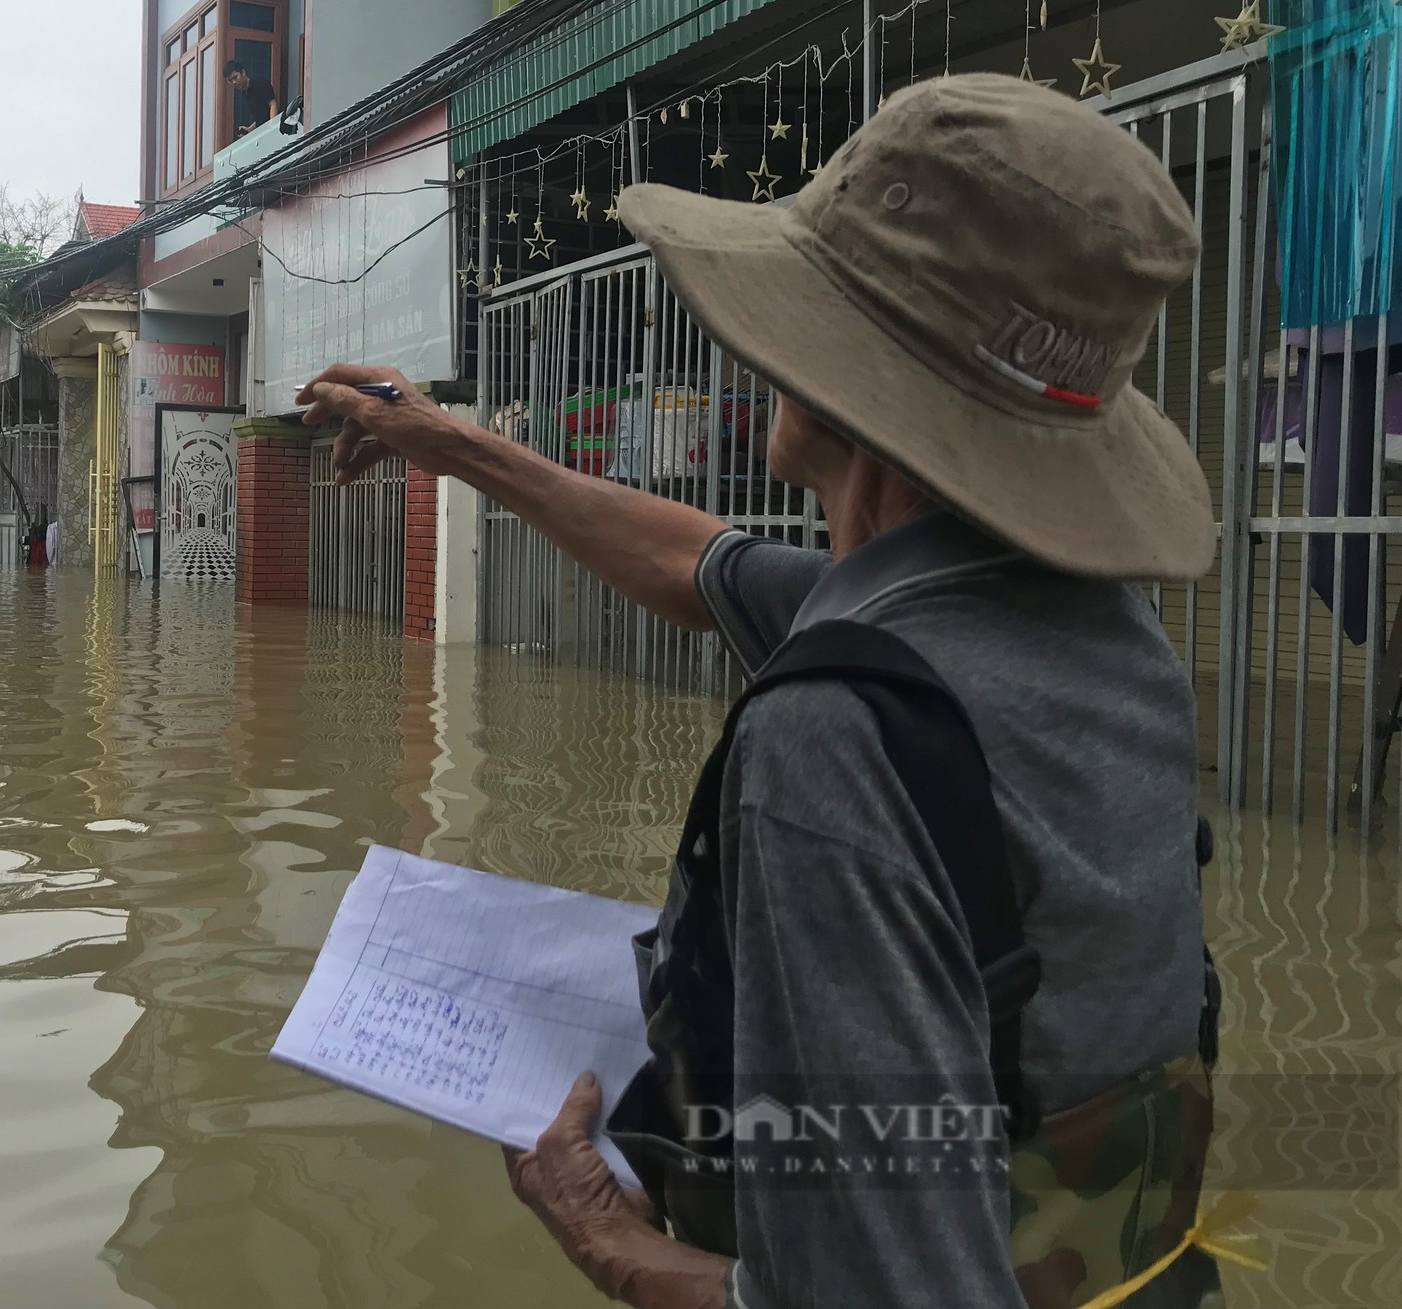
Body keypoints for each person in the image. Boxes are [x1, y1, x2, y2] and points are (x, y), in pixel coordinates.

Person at [299, 76, 1224, 1309]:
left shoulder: (832, 736)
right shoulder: (1084, 623)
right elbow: (698, 562)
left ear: (840, 380)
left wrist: (605, 1237)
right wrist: (450, 441)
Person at [225, 59, 277, 135]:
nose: (234, 82)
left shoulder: (260, 84)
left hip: (274, 130)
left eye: (235, 77)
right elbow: (261, 117)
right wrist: (249, 129)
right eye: (230, 80)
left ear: (243, 72)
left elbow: (273, 104)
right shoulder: (244, 93)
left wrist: (273, 127)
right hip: (263, 132)